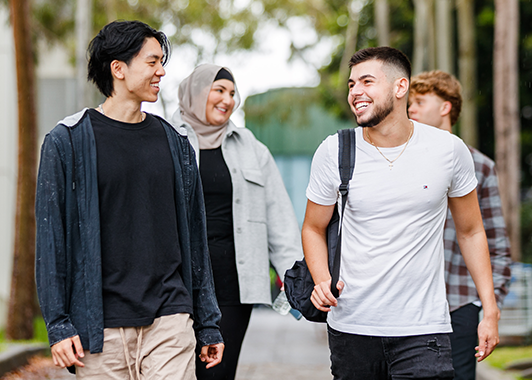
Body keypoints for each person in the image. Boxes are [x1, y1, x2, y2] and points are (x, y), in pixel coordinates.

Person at [35, 20, 224, 379]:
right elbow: (50, 239)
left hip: (170, 319)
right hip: (99, 327)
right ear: (118, 69)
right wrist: (58, 324)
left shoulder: (177, 144)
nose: (161, 71)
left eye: (161, 62)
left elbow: (196, 239)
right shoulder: (67, 142)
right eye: (152, 62)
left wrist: (208, 323)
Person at [302, 46, 500, 380]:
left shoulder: (448, 151)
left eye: (367, 82)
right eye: (351, 85)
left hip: (425, 330)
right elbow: (312, 227)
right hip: (352, 327)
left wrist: (490, 309)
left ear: (400, 87)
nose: (356, 92)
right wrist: (322, 280)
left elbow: (471, 231)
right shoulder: (334, 151)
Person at [171, 64, 303, 380]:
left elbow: (278, 216)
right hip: (176, 284)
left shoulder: (252, 148)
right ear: (196, 93)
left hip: (233, 284)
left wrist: (297, 276)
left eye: (232, 93)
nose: (228, 100)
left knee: (217, 374)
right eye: (219, 90)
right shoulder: (165, 141)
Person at [408, 70, 512, 380]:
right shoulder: (400, 161)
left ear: (445, 107)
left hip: (460, 305)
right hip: (408, 306)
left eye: (419, 101)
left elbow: (496, 242)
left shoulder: (480, 166)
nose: (410, 108)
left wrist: (483, 306)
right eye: (409, 102)